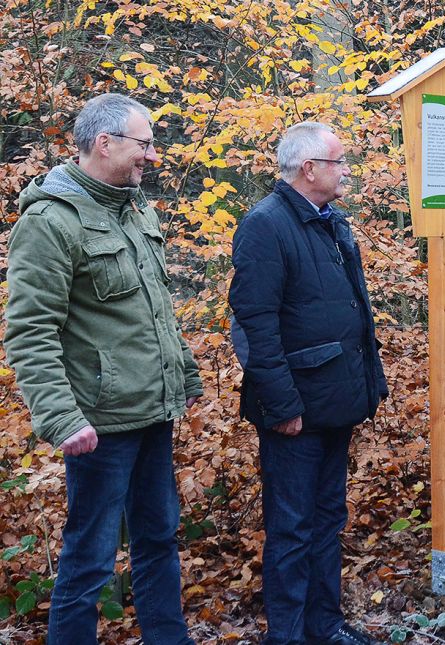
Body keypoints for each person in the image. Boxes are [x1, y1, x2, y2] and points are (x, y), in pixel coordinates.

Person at [4, 93, 203, 644]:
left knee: (160, 538)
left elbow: (155, 308)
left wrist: (182, 376)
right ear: (104, 143)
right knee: (90, 558)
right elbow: (29, 332)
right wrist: (63, 420)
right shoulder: (49, 222)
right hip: (98, 426)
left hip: (151, 411)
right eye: (145, 143)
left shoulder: (135, 208)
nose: (153, 155)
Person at [229, 122, 388, 645]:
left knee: (326, 521)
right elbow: (256, 324)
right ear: (309, 169)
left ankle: (325, 627)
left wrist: (369, 385)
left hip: (335, 402)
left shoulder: (331, 222)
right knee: (293, 530)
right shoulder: (265, 225)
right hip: (295, 412)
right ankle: (289, 635)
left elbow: (353, 310)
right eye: (339, 161)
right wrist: (282, 406)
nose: (347, 170)